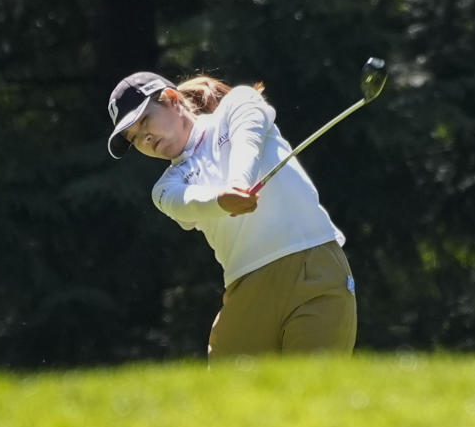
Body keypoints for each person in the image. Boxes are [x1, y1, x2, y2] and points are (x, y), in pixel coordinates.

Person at [106, 71, 357, 361]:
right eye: (134, 138)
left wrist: (239, 184)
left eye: (144, 121)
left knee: (315, 395)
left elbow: (245, 141)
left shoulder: (239, 102)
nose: (145, 138)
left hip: (314, 265)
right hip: (247, 290)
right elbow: (189, 203)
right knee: (233, 401)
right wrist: (223, 201)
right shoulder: (165, 188)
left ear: (173, 99)